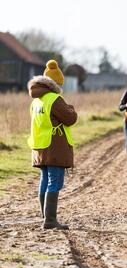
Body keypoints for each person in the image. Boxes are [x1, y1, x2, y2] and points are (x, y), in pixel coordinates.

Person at [27, 60, 78, 230]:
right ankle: (50, 220)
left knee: (44, 180)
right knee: (54, 182)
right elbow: (70, 119)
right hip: (54, 147)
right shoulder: (55, 99)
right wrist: (70, 107)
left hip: (40, 146)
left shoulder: (36, 101)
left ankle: (45, 217)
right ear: (56, 83)